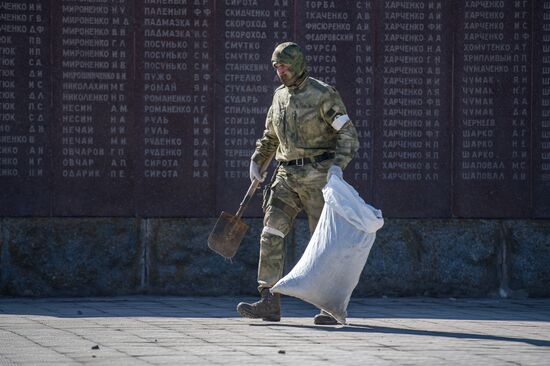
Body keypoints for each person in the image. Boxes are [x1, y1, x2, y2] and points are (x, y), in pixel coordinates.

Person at [236, 42, 359, 325]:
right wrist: (257, 161)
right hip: (286, 175)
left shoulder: (323, 94)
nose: (281, 71)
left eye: (286, 66)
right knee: (271, 232)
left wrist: (337, 169)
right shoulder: (279, 96)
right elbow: (270, 137)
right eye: (277, 67)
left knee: (324, 242)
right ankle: (269, 298)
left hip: (319, 174)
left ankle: (330, 306)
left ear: (299, 63)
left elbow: (348, 135)